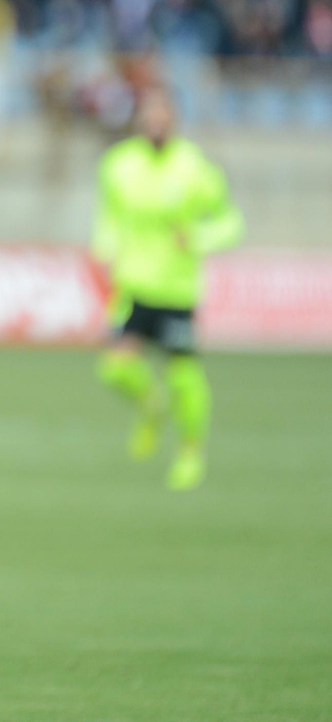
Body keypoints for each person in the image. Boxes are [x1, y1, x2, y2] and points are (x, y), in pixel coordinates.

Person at [93, 84, 243, 491]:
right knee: (116, 369)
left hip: (177, 290)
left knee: (183, 377)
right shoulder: (119, 165)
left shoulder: (196, 170)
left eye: (163, 114)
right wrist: (104, 248)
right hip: (134, 285)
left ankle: (191, 450)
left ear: (174, 118)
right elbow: (110, 216)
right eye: (149, 114)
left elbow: (231, 223)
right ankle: (150, 406)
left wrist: (198, 238)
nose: (155, 121)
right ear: (139, 119)